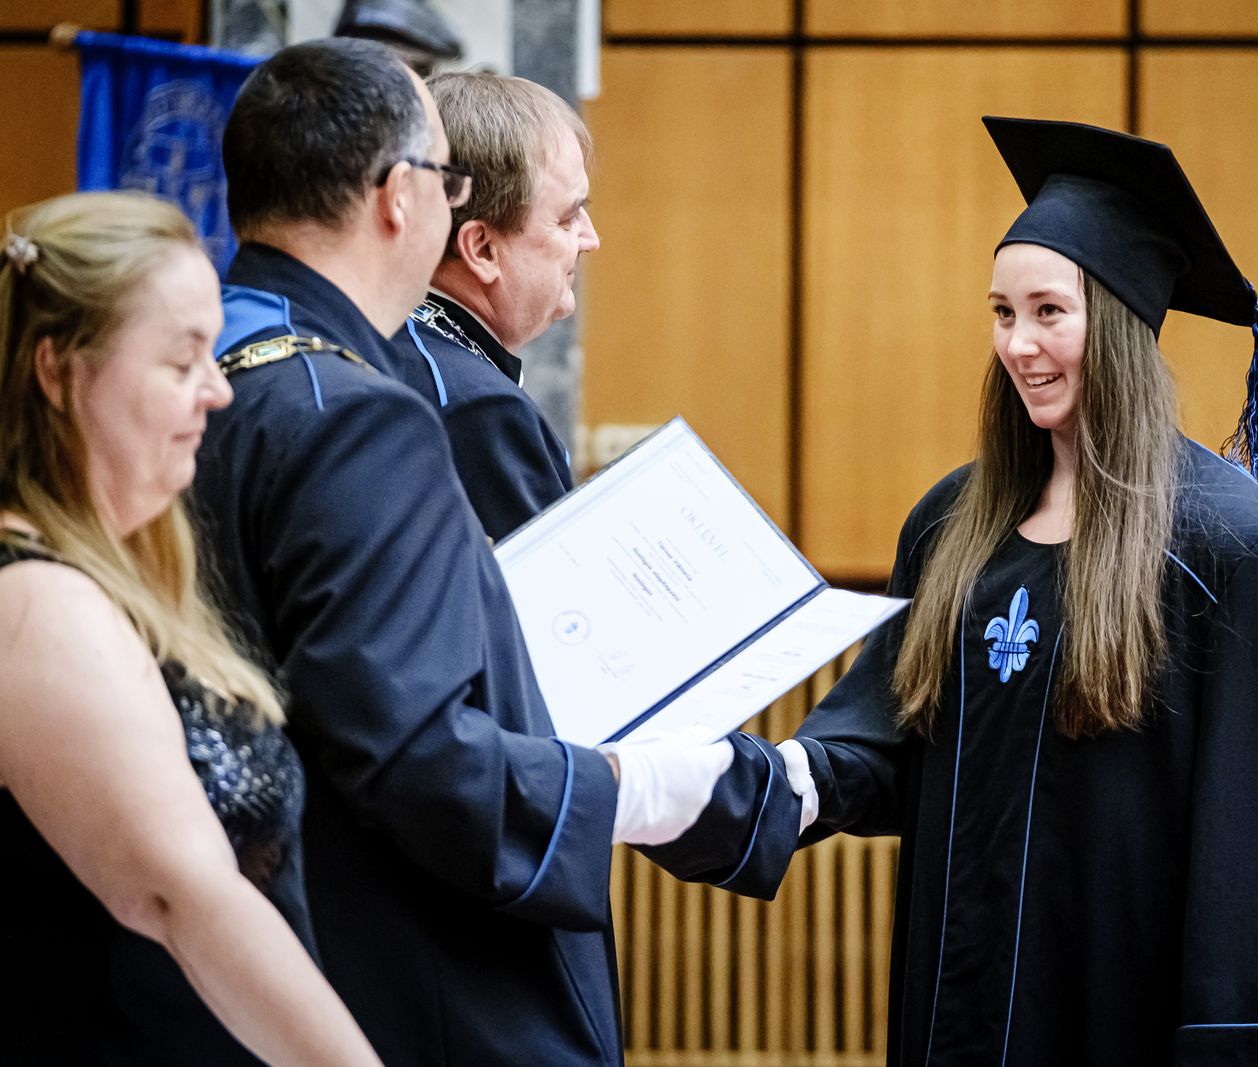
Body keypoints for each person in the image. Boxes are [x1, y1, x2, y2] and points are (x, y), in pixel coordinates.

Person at [649, 117, 1258, 1066]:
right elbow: (885, 741)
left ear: (1118, 324)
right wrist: (738, 781)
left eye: (1048, 312)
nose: (1019, 344)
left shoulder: (1235, 555)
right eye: (1001, 312)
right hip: (960, 1010)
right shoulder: (953, 524)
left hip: (1123, 1016)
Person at [190, 38, 735, 1066]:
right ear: (400, 196)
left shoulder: (205, 370)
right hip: (412, 966)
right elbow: (418, 754)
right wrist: (636, 788)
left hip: (260, 944)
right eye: (445, 180)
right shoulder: (360, 416)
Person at [0, 191, 380, 1065]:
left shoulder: (114, 569)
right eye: (181, 361)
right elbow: (182, 896)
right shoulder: (35, 600)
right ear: (58, 370)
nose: (219, 389)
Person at [395, 71, 598, 540]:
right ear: (482, 249)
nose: (591, 239)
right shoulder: (480, 410)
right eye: (568, 218)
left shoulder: (383, 333)